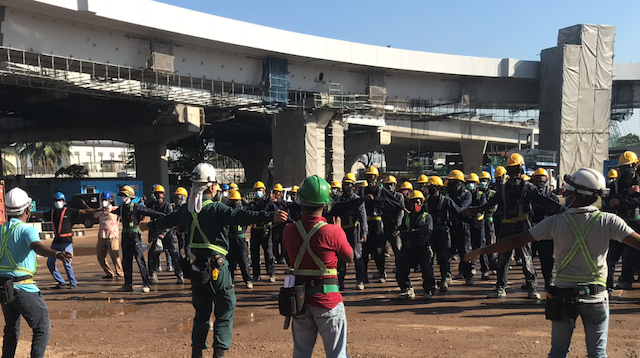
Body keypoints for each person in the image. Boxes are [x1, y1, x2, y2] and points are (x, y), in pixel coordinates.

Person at [464, 168, 640, 358]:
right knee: (597, 354)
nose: (565, 195)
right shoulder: (609, 221)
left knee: (557, 352)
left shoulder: (555, 222)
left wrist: (480, 251)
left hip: (562, 297)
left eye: (568, 192)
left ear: (575, 196)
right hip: (596, 298)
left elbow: (515, 240)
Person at [140, 163, 287, 358]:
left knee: (201, 312)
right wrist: (270, 216)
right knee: (225, 309)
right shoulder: (217, 209)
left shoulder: (186, 211)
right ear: (210, 186)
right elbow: (241, 215)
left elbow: (167, 220)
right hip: (217, 268)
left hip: (195, 268)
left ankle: (197, 352)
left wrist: (150, 225)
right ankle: (219, 354)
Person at [466, 153, 561, 299]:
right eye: (511, 170)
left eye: (515, 170)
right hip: (507, 226)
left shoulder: (527, 187)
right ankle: (501, 287)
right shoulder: (503, 189)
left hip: (522, 224)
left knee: (526, 258)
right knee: (503, 258)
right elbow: (490, 204)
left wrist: (562, 210)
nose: (513, 173)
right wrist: (473, 211)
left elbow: (543, 201)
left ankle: (532, 286)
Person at [282, 175, 353, 358]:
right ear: (325, 204)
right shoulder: (333, 231)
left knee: (301, 353)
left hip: (299, 300)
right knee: (337, 354)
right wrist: (340, 233)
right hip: (328, 299)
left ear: (301, 202)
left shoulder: (289, 230)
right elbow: (350, 257)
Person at [0, 187, 74, 358]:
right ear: (27, 209)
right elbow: (37, 246)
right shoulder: (28, 229)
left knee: (11, 327)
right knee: (42, 326)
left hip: (4, 287)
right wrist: (55, 253)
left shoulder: (1, 230)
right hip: (22, 287)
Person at [111, 185, 164, 293]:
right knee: (126, 261)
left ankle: (146, 284)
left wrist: (165, 216)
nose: (123, 198)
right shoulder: (121, 208)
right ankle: (127, 284)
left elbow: (151, 212)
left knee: (140, 260)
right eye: (121, 196)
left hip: (135, 237)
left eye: (125, 196)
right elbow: (112, 211)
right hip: (125, 236)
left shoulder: (136, 207)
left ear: (130, 197)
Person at [604, 151, 640, 290]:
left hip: (636, 224)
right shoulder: (615, 185)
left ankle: (626, 280)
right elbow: (609, 202)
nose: (625, 170)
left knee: (631, 257)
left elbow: (636, 202)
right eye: (623, 167)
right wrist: (627, 194)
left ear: (635, 166)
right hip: (617, 224)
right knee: (610, 257)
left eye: (628, 166)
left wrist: (619, 200)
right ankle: (607, 285)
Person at [44, 192, 92, 289]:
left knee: (67, 262)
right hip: (56, 242)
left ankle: (73, 282)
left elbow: (84, 212)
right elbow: (41, 214)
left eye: (59, 200)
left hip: (66, 242)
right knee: (50, 263)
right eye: (56, 201)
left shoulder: (69, 211)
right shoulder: (52, 212)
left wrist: (95, 210)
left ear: (64, 202)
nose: (58, 202)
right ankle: (60, 282)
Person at [425, 176, 465, 292]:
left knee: (443, 258)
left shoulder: (446, 201)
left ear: (438, 188)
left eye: (432, 187)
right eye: (429, 187)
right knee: (429, 257)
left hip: (443, 232)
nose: (430, 190)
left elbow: (458, 212)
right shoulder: (426, 202)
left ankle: (444, 279)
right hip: (430, 232)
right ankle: (430, 282)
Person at [396, 190, 435, 299]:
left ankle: (428, 290)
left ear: (422, 203)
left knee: (427, 269)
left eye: (417, 202)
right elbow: (402, 232)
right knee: (401, 267)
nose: (415, 205)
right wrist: (415, 232)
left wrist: (412, 236)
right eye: (413, 203)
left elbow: (427, 233)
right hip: (408, 248)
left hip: (422, 248)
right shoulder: (407, 217)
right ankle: (407, 289)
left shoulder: (427, 217)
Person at [333, 172, 368, 290]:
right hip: (341, 231)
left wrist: (364, 231)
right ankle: (340, 282)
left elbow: (362, 216)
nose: (346, 187)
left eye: (349, 184)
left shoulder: (357, 200)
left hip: (354, 230)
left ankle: (360, 280)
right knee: (340, 257)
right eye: (345, 184)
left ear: (353, 186)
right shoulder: (338, 200)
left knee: (357, 255)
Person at [530, 168, 560, 291]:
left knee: (547, 259)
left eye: (542, 181)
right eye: (537, 180)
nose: (540, 183)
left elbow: (558, 215)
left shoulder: (552, 198)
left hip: (547, 234)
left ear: (547, 181)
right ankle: (530, 282)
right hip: (531, 233)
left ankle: (548, 281)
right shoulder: (530, 197)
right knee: (528, 260)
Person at [147, 185, 183, 284]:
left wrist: (163, 233)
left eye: (160, 193)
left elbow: (169, 221)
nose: (158, 195)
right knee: (152, 256)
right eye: (156, 193)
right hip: (156, 234)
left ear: (163, 194)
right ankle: (152, 275)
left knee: (175, 255)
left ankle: (180, 275)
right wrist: (151, 236)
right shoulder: (151, 205)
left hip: (169, 234)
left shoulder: (167, 206)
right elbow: (149, 218)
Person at [446, 170, 474, 285]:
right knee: (448, 252)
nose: (450, 184)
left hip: (463, 226)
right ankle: (447, 276)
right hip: (450, 226)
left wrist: (449, 202)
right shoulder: (448, 194)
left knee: (465, 252)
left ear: (459, 182)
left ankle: (468, 275)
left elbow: (461, 209)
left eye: (452, 182)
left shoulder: (466, 194)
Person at [248, 181, 277, 283]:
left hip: (266, 231)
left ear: (264, 191)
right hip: (255, 231)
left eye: (259, 190)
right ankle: (256, 274)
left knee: (268, 253)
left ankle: (271, 273)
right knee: (254, 254)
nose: (258, 192)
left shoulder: (269, 203)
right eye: (256, 190)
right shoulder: (252, 204)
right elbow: (250, 213)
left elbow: (276, 213)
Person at [226, 190, 253, 288]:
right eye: (232, 201)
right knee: (230, 262)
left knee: (244, 260)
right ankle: (230, 280)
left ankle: (248, 280)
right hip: (231, 239)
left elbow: (253, 209)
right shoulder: (227, 211)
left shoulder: (243, 210)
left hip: (241, 239)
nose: (235, 203)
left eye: (236, 200)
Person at [94, 191, 123, 279]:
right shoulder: (100, 211)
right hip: (102, 236)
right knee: (100, 256)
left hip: (113, 236)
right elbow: (92, 213)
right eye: (103, 200)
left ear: (110, 200)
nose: (104, 201)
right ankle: (109, 273)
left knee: (115, 256)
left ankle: (120, 272)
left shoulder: (115, 210)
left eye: (106, 200)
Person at [466, 173, 490, 280]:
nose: (470, 185)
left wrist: (472, 211)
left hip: (479, 223)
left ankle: (485, 270)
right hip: (468, 223)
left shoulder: (481, 195)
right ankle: (469, 268)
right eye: (469, 183)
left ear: (477, 184)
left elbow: (483, 207)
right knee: (469, 247)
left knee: (481, 247)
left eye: (472, 183)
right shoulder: (466, 195)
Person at [479, 171, 498, 273]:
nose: (482, 182)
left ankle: (493, 265)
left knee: (491, 243)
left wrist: (481, 209)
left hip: (489, 221)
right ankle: (484, 268)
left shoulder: (492, 193)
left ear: (489, 182)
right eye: (481, 180)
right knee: (482, 244)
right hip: (479, 222)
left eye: (484, 180)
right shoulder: (478, 194)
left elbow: (492, 208)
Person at [382, 175, 404, 262]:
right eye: (387, 185)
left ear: (395, 185)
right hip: (385, 225)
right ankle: (381, 271)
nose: (390, 186)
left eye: (392, 184)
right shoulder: (383, 196)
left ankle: (400, 268)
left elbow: (400, 212)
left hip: (395, 226)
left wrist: (397, 227)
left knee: (397, 248)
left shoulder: (399, 196)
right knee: (381, 250)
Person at [270, 183, 289, 265]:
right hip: (274, 226)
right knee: (274, 243)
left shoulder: (282, 203)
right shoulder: (270, 203)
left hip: (282, 226)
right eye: (276, 192)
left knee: (283, 243)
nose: (278, 194)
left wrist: (277, 201)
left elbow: (285, 205)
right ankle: (277, 257)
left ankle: (282, 258)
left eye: (279, 192)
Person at [174, 187, 189, 257]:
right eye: (176, 197)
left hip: (187, 234)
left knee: (188, 250)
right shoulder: (175, 209)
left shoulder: (188, 209)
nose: (177, 200)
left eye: (178, 197)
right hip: (178, 234)